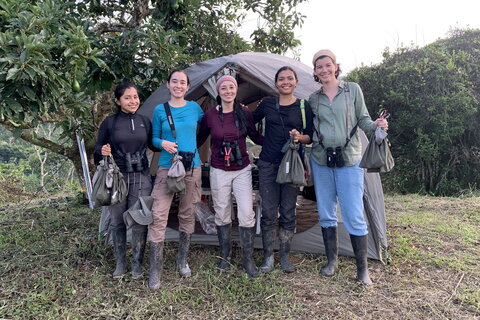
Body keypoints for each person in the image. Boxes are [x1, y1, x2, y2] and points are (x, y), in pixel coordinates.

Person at [308, 49, 388, 286]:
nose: (324, 70)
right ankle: (331, 261)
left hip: (350, 158)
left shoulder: (352, 89)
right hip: (321, 159)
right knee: (325, 211)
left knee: (353, 212)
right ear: (314, 71)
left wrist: (377, 125)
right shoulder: (314, 98)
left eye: (327, 65)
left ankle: (362, 269)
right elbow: (313, 128)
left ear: (335, 66)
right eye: (319, 66)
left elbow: (362, 120)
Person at [197, 75, 264, 278]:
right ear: (218, 92)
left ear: (235, 90)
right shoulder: (210, 115)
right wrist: (182, 152)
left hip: (242, 168)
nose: (228, 91)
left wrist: (277, 143)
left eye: (231, 87)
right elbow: (199, 139)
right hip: (218, 169)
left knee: (246, 212)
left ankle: (248, 259)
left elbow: (254, 135)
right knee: (222, 212)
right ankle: (225, 257)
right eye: (223, 88)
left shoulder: (244, 112)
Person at [253, 66, 314, 273]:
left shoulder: (304, 106)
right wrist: (262, 140)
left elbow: (311, 136)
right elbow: (249, 123)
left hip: (292, 164)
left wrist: (300, 138)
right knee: (269, 211)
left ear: (296, 82)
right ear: (276, 83)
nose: (285, 82)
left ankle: (285, 256)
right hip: (268, 163)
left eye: (289, 78)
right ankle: (268, 256)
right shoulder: (268, 103)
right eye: (281, 79)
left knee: (288, 210)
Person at [148, 70, 204, 290]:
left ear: (188, 86)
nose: (178, 86)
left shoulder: (195, 108)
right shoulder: (159, 110)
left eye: (182, 82)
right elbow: (153, 138)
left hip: (192, 166)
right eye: (174, 82)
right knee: (158, 213)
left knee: (187, 212)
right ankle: (155, 270)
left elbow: (209, 124)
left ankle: (182, 260)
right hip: (166, 166)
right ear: (168, 85)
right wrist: (163, 143)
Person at [94, 81, 154, 279]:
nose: (133, 101)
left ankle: (137, 264)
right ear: (118, 101)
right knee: (117, 221)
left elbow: (155, 145)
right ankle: (121, 264)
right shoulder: (110, 123)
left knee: (140, 220)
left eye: (135, 97)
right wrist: (102, 152)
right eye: (127, 97)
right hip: (117, 178)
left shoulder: (145, 121)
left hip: (141, 177)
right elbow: (97, 151)